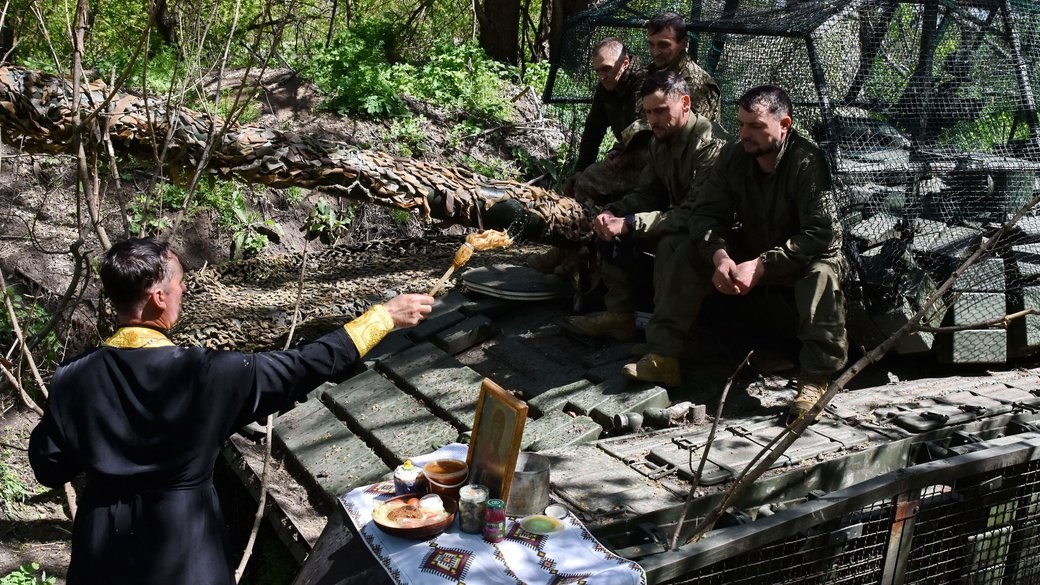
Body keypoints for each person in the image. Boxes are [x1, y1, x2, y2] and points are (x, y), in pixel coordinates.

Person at [28, 237, 434, 585]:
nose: (183, 294)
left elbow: (49, 466)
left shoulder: (71, 377)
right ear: (158, 299)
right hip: (185, 549)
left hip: (103, 550)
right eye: (181, 286)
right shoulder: (206, 374)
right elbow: (302, 365)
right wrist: (383, 318)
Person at [684, 85, 848, 422]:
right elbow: (706, 214)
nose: (745, 134)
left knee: (821, 275)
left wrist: (761, 265)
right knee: (684, 248)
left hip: (804, 255)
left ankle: (815, 379)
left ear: (784, 124)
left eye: (756, 126)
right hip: (756, 248)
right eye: (741, 124)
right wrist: (721, 257)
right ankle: (672, 350)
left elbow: (819, 234)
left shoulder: (807, 161)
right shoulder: (734, 155)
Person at [567, 71, 729, 386]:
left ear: (685, 103)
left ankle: (664, 356)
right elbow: (648, 193)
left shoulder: (710, 144)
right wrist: (614, 213)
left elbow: (697, 213)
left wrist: (629, 223)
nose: (653, 119)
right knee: (610, 223)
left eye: (661, 111)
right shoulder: (662, 140)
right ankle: (621, 315)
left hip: (719, 232)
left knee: (673, 245)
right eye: (649, 112)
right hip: (686, 219)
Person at [529, 38, 649, 273]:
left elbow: (646, 126)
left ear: (625, 63)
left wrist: (623, 151)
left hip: (649, 157)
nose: (602, 75)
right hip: (627, 154)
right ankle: (570, 249)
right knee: (583, 181)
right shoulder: (606, 87)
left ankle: (576, 253)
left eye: (607, 68)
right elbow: (593, 129)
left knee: (590, 183)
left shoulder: (643, 81)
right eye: (598, 71)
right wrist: (579, 169)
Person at [645, 11, 721, 123]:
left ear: (684, 43)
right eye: (651, 44)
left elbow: (691, 133)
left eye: (664, 45)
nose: (655, 52)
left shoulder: (697, 83)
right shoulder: (649, 73)